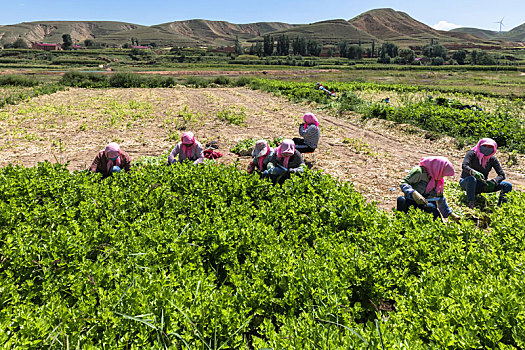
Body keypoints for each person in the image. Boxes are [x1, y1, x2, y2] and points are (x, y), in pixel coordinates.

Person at [397, 156, 460, 221]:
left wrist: (450, 214)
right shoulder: (419, 172)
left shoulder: (437, 180)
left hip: (425, 205)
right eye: (442, 174)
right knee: (401, 200)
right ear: (438, 168)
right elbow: (403, 183)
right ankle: (403, 222)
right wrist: (413, 193)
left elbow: (440, 199)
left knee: (431, 207)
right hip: (411, 202)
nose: (442, 176)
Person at [460, 138, 512, 208]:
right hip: (467, 183)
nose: (487, 148)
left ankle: (501, 206)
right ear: (480, 145)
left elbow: (502, 175)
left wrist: (494, 181)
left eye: (490, 147)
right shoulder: (471, 154)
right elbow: (464, 165)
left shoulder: (492, 159)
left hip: (481, 184)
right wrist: (473, 172)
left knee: (507, 185)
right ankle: (470, 203)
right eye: (485, 146)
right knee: (472, 179)